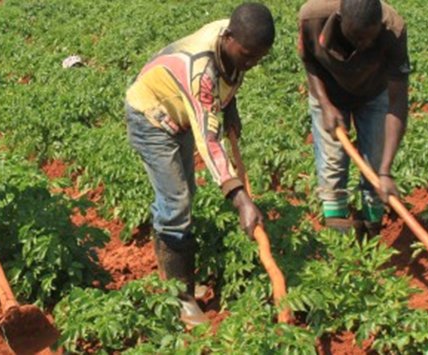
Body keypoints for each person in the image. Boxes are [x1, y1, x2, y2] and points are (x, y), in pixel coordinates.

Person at [125, 3, 275, 326]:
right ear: (230, 37)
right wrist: (240, 198)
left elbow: (229, 79)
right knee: (175, 202)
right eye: (247, 55)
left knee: (185, 195)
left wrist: (230, 106)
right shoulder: (201, 70)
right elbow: (209, 141)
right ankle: (178, 297)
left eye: (257, 58)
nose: (250, 63)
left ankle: (180, 282)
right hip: (150, 116)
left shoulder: (234, 41)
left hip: (177, 113)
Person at [298, 0, 410, 236]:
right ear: (340, 21)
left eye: (370, 38)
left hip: (373, 92)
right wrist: (326, 105)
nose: (364, 44)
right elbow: (309, 62)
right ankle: (338, 237)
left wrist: (386, 171)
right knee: (332, 165)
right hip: (328, 92)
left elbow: (398, 101)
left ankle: (372, 231)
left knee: (375, 163)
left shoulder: (394, 30)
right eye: (357, 38)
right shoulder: (312, 17)